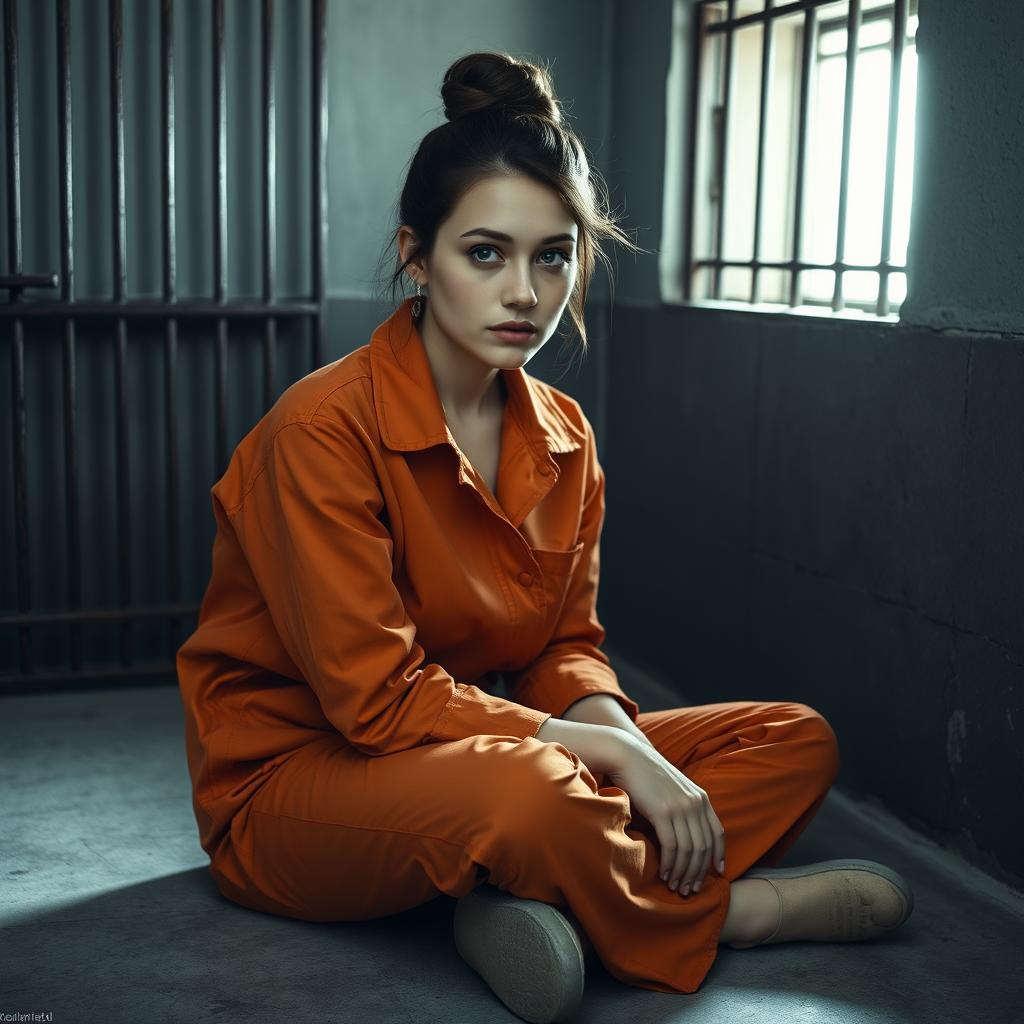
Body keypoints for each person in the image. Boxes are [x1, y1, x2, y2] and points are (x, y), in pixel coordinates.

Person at [176, 50, 913, 1024]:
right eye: (485, 252)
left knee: (791, 741)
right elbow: (378, 704)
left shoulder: (563, 433)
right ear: (415, 254)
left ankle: (517, 889)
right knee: (534, 790)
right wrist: (616, 765)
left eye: (552, 255)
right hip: (294, 786)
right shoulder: (320, 429)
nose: (524, 291)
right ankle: (725, 913)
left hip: (476, 757)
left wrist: (621, 744)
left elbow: (564, 648)